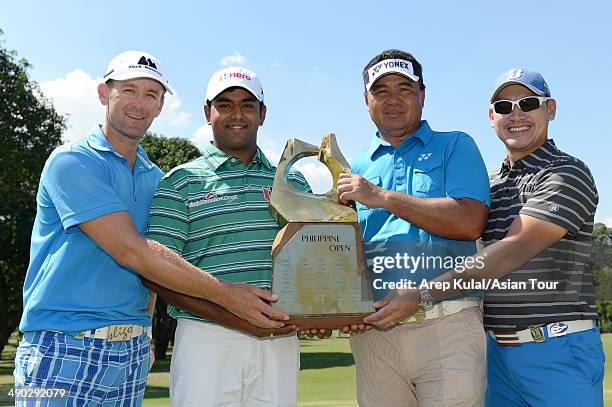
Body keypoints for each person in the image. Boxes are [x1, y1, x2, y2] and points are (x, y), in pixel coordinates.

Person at [14, 52, 287, 406]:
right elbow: (133, 251)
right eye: (128, 90)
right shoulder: (72, 162)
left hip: (131, 350)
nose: (139, 104)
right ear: (103, 93)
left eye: (151, 94)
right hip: (62, 344)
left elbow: (163, 258)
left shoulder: (156, 178)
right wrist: (229, 295)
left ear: (161, 106)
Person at [386, 68, 603, 406]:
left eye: (528, 103)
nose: (515, 114)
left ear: (551, 109)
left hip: (557, 350)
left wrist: (424, 293)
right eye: (504, 107)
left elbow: (511, 251)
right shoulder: (488, 184)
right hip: (495, 356)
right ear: (492, 117)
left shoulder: (566, 172)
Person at [144, 66, 312, 407]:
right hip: (206, 338)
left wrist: (320, 315)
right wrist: (238, 318)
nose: (237, 114)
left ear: (262, 114)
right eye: (225, 104)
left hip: (279, 339)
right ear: (208, 113)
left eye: (248, 105)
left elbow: (312, 266)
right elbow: (156, 272)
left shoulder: (294, 184)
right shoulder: (180, 182)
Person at [336, 49, 491, 407]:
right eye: (381, 90)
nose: (393, 100)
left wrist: (380, 196)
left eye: (404, 89)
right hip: (376, 334)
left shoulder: (456, 145)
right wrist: (342, 307)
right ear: (366, 100)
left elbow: (470, 222)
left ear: (422, 95)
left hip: (447, 325)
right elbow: (344, 253)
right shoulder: (352, 168)